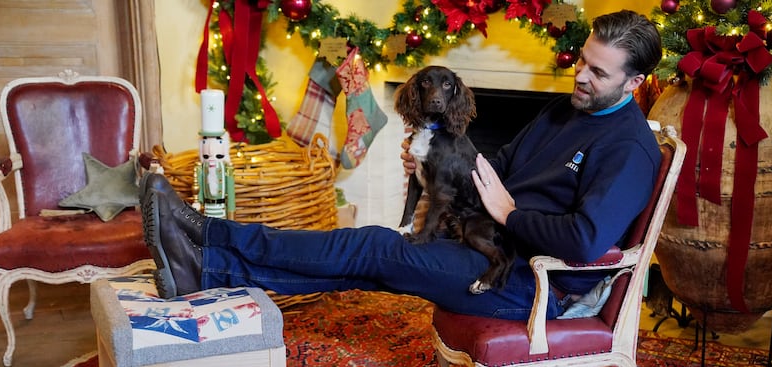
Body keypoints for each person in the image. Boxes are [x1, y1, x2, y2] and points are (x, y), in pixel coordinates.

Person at [140, 9, 663, 321]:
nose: (580, 77)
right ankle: (209, 264)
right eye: (581, 62)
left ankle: (210, 233)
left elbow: (586, 242)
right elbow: (496, 162)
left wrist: (509, 216)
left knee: (369, 245)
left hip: (526, 282)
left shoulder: (628, 148)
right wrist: (435, 162)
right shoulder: (564, 108)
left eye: (597, 72)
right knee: (364, 259)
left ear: (634, 83)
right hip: (480, 241)